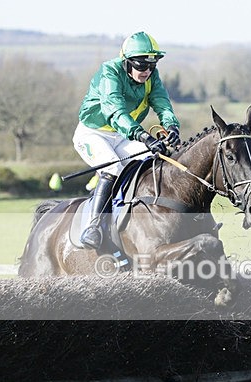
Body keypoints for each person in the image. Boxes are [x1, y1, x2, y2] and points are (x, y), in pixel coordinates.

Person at [73, 31, 182, 249]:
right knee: (113, 167)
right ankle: (92, 228)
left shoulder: (152, 75)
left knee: (154, 159)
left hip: (121, 136)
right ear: (127, 61)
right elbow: (116, 112)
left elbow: (161, 102)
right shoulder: (109, 72)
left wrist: (171, 126)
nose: (147, 71)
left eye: (152, 65)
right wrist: (143, 136)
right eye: (141, 65)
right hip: (93, 134)